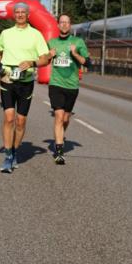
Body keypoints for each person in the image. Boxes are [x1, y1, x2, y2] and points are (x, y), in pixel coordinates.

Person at [0, 3, 50, 173]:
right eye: (17, 12)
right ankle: (8, 154)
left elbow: (45, 58)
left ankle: (15, 150)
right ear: (13, 15)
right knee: (9, 118)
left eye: (23, 12)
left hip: (26, 81)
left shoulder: (36, 34)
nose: (20, 15)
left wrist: (32, 62)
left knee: (21, 121)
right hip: (7, 78)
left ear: (28, 15)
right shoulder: (6, 34)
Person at [46, 14, 88, 165]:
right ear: (58, 25)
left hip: (72, 85)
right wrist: (48, 55)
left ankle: (60, 135)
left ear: (70, 25)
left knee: (65, 118)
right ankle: (59, 151)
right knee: (58, 116)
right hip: (56, 84)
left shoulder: (78, 42)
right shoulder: (51, 42)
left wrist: (75, 53)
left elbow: (87, 62)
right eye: (61, 22)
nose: (64, 25)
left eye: (67, 22)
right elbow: (43, 60)